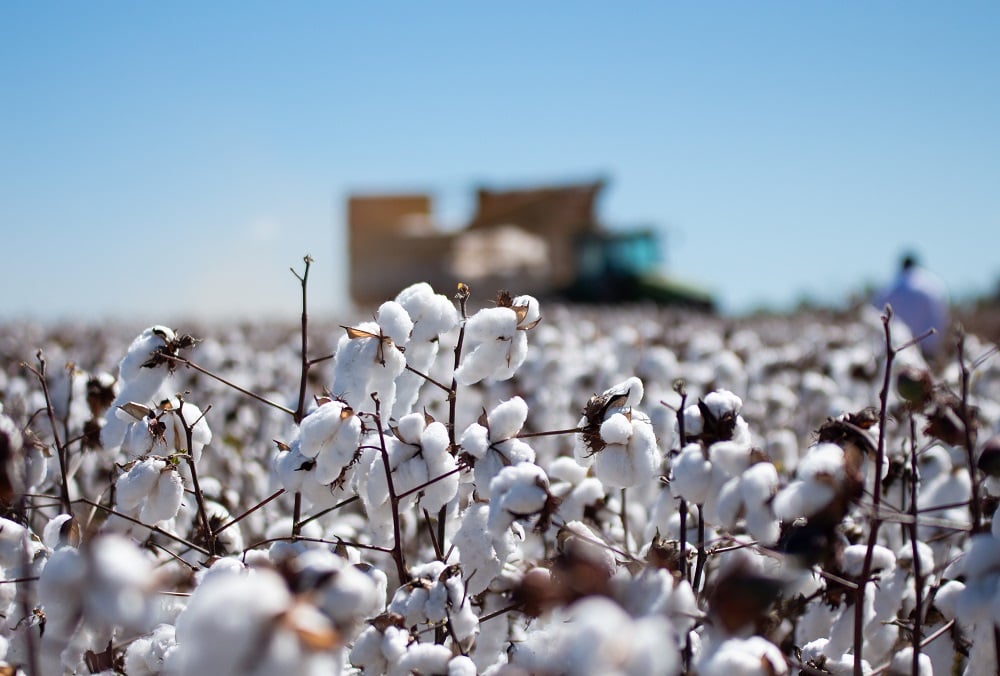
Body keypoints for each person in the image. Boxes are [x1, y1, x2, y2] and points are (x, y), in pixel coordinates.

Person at [872, 253, 950, 357]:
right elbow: (940, 317)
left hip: (897, 347)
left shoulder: (890, 288)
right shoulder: (932, 287)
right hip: (925, 348)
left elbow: (875, 314)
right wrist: (932, 344)